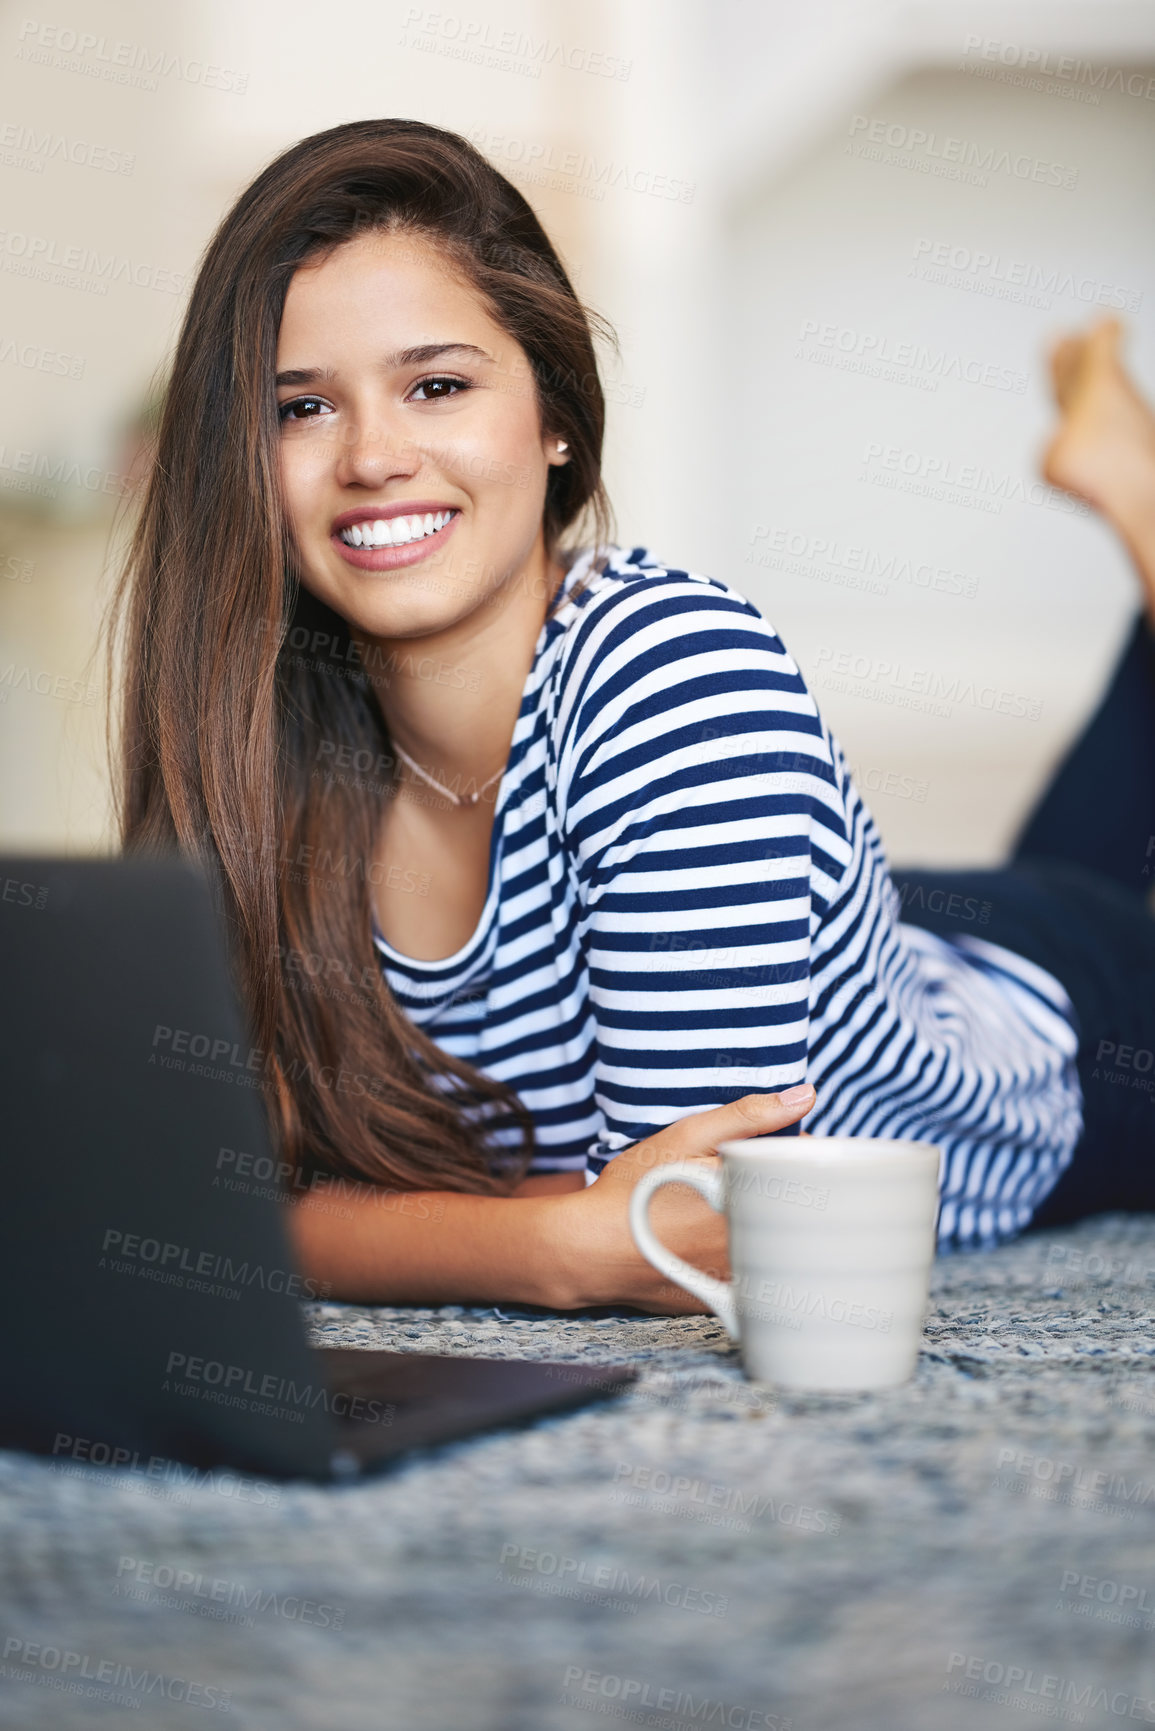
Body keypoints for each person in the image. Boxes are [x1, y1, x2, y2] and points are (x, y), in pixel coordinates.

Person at [110, 119, 1155, 1312]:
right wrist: (554, 1239)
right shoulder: (254, 731)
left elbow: (685, 1238)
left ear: (554, 417)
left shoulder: (677, 676)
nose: (374, 456)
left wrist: (431, 1227)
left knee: (1107, 913)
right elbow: (195, 1193)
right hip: (820, 925)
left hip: (1067, 1037)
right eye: (302, 410)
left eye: (438, 385)